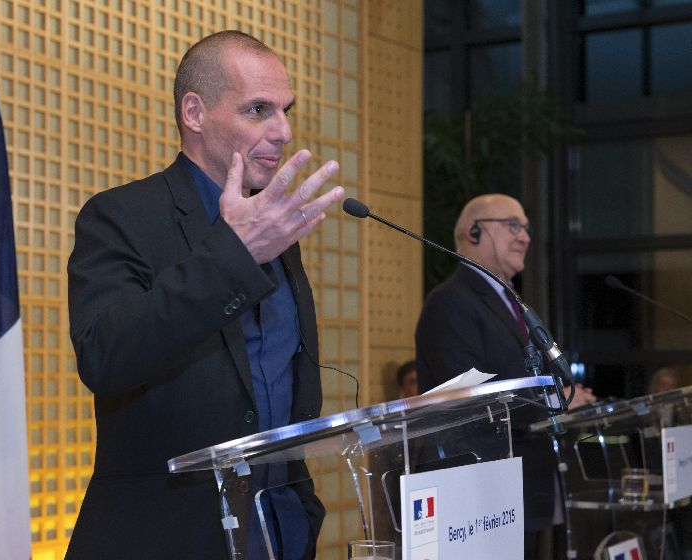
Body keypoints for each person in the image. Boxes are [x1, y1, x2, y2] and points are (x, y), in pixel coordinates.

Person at [66, 30, 345, 559]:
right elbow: (104, 355)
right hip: (167, 540)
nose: (283, 131)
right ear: (194, 112)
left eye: (286, 110)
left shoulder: (277, 232)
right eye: (258, 110)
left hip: (278, 533)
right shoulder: (121, 216)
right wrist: (232, 259)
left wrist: (302, 512)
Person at [414, 194, 595, 559]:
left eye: (526, 228)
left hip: (520, 487)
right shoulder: (450, 302)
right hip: (477, 496)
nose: (525, 237)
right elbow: (469, 400)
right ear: (474, 232)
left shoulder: (512, 301)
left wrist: (562, 398)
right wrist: (556, 401)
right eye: (513, 226)